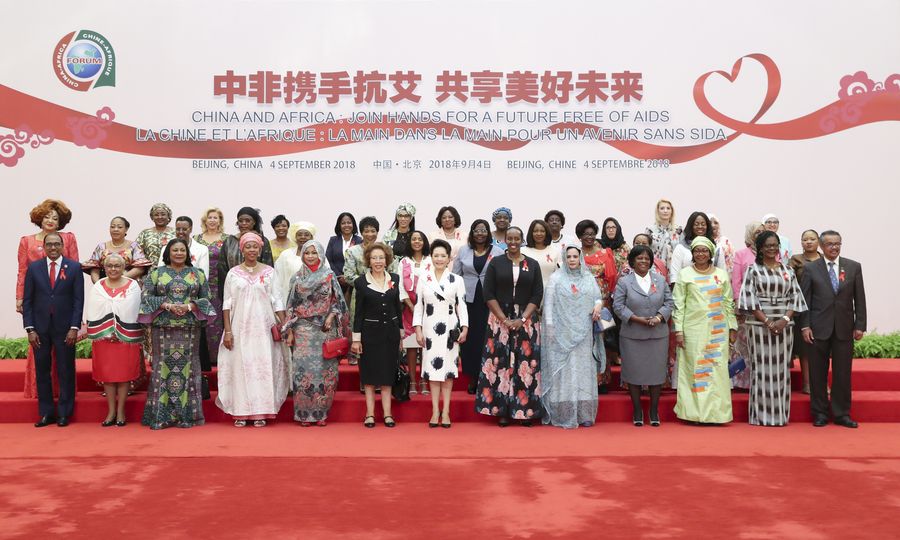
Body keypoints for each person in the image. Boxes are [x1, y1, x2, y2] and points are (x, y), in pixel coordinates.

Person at [139, 238, 215, 430]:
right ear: (168, 253)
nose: (179, 253)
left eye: (182, 250)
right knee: (161, 369)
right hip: (163, 328)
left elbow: (207, 297)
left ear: (187, 253)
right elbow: (146, 296)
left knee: (188, 369)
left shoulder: (197, 273)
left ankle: (187, 416)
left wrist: (190, 306)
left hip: (190, 328)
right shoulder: (156, 273)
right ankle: (160, 416)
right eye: (175, 250)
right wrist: (167, 305)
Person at [216, 232, 289, 427]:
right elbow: (226, 304)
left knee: (263, 367)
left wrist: (285, 326)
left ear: (260, 249)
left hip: (264, 330)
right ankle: (241, 412)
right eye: (248, 246)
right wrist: (228, 331)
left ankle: (261, 411)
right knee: (240, 367)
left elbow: (277, 300)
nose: (251, 250)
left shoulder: (270, 272)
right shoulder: (233, 273)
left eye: (255, 246)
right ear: (242, 249)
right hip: (239, 328)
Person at [475, 227, 543, 427]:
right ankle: (502, 410)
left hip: (526, 320)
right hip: (499, 319)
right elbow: (488, 293)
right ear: (505, 240)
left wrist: (522, 318)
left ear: (522, 241)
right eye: (510, 238)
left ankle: (524, 411)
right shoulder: (496, 263)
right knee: (501, 364)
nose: (513, 242)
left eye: (517, 238)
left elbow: (537, 294)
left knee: (525, 365)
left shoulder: (532, 264)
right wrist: (504, 319)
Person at [738, 231, 808, 426]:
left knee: (781, 370)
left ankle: (779, 416)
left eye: (775, 245)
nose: (772, 248)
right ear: (760, 248)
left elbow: (796, 297)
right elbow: (749, 300)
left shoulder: (788, 270)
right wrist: (768, 322)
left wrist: (784, 319)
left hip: (785, 326)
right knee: (760, 369)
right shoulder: (753, 270)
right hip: (758, 327)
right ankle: (759, 416)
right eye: (767, 245)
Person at [799, 230, 867, 428]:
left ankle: (842, 414)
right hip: (818, 328)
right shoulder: (811, 268)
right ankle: (819, 413)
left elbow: (860, 299)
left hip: (844, 328)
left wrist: (860, 325)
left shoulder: (853, 267)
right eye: (830, 244)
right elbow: (805, 300)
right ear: (821, 246)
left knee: (843, 373)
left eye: (838, 243)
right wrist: (805, 325)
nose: (834, 247)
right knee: (817, 374)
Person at [17, 199, 79, 400]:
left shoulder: (68, 238)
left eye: (55, 218)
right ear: (39, 218)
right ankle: (40, 395)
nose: (51, 220)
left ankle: (63, 396)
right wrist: (20, 297)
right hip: (37, 301)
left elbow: (74, 268)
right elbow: (22, 271)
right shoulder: (26, 241)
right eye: (47, 216)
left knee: (64, 355)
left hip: (62, 303)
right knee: (39, 349)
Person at [672, 236, 738, 424]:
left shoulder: (721, 275)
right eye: (697, 251)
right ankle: (694, 414)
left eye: (704, 250)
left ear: (710, 253)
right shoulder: (684, 274)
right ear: (692, 254)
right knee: (695, 370)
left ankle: (716, 414)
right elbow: (679, 305)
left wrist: (732, 326)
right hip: (692, 331)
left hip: (717, 331)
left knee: (716, 372)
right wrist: (678, 330)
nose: (701, 254)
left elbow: (728, 302)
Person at [284, 240, 349, 426]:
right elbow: (291, 306)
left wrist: (331, 316)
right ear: (302, 255)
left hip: (325, 331)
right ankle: (304, 414)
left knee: (325, 373)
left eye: (314, 253)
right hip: (303, 331)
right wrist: (290, 331)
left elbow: (338, 302)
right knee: (303, 373)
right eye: (307, 253)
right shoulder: (296, 278)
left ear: (321, 255)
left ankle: (321, 413)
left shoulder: (329, 276)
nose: (311, 256)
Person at [22, 232, 83, 427]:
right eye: (49, 244)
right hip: (39, 329)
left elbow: (78, 301)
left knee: (65, 370)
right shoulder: (34, 268)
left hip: (65, 328)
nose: (53, 248)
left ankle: (64, 413)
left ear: (62, 246)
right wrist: (30, 328)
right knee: (42, 371)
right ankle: (46, 413)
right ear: (45, 247)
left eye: (57, 244)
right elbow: (27, 300)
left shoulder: (74, 268)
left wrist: (74, 327)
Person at [542, 246, 603, 428]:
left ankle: (584, 414)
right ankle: (564, 413)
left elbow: (597, 297)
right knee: (565, 371)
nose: (572, 259)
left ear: (580, 258)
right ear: (564, 258)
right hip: (561, 334)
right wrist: (550, 327)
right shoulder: (556, 278)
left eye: (575, 256)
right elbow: (548, 304)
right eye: (568, 256)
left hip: (584, 333)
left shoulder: (588, 277)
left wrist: (598, 305)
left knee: (583, 371)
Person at [614, 245, 674, 427]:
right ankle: (637, 410)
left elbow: (669, 303)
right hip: (632, 335)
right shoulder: (624, 282)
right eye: (639, 258)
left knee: (656, 373)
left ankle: (654, 410)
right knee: (633, 373)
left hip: (657, 335)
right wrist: (636, 319)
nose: (643, 261)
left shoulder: (660, 280)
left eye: (647, 258)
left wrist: (659, 317)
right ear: (632, 261)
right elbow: (618, 306)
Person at [414, 239, 468, 428]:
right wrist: (418, 330)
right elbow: (418, 306)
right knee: (433, 371)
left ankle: (446, 411)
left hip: (450, 330)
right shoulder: (423, 278)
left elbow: (462, 306)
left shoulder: (457, 280)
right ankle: (435, 410)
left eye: (442, 256)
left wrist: (465, 328)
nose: (439, 259)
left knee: (447, 371)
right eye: (435, 255)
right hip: (429, 329)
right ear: (431, 257)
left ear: (449, 258)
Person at [351, 243, 406, 428]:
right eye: (374, 258)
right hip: (369, 335)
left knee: (387, 374)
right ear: (368, 260)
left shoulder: (395, 279)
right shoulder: (361, 282)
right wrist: (356, 339)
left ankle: (388, 414)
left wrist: (400, 333)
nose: (378, 261)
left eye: (381, 257)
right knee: (369, 376)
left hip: (390, 334)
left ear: (387, 259)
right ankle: (370, 414)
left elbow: (397, 308)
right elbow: (358, 313)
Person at [84, 254, 142, 427]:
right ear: (104, 268)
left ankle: (121, 411)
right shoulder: (98, 286)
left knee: (124, 375)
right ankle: (111, 412)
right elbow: (93, 310)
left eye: (117, 266)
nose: (113, 269)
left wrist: (119, 331)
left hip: (126, 337)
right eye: (110, 266)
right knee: (108, 375)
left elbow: (132, 309)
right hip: (104, 337)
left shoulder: (133, 285)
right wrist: (108, 331)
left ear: (123, 268)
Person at [453, 220, 504, 394]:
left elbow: (502, 277)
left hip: (490, 302)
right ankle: (473, 377)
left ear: (488, 233)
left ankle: (488, 377)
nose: (480, 233)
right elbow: (455, 276)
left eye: (483, 230)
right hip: (468, 301)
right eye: (477, 230)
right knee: (470, 341)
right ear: (472, 232)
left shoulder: (498, 252)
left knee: (488, 339)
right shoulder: (463, 251)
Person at [576, 219, 617, 392]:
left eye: (592, 234)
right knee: (584, 341)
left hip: (603, 302)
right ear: (579, 236)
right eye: (585, 234)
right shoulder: (575, 254)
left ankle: (602, 380)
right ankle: (585, 381)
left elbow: (612, 279)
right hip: (580, 302)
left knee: (601, 340)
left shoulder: (605, 253)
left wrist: (606, 301)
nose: (589, 237)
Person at [729, 221, 766, 390]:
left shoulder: (771, 253)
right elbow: (736, 281)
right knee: (744, 346)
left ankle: (761, 379)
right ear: (750, 234)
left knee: (762, 345)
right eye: (757, 232)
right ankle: (742, 382)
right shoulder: (741, 254)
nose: (760, 235)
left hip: (766, 306)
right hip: (746, 307)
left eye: (762, 231)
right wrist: (738, 304)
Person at [788, 229, 822, 393]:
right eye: (805, 239)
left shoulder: (825, 259)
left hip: (822, 308)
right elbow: (788, 283)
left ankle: (820, 383)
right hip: (802, 308)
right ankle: (807, 383)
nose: (808, 242)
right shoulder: (795, 260)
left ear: (818, 241)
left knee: (821, 348)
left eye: (812, 239)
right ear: (801, 242)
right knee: (805, 349)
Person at [217, 207, 274, 303]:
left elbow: (268, 269)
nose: (243, 223)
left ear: (254, 222)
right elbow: (222, 270)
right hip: (235, 291)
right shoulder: (229, 242)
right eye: (240, 221)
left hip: (258, 293)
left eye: (247, 221)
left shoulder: (262, 241)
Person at [398, 231, 431, 395]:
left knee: (425, 346)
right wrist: (411, 306)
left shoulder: (431, 260)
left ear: (424, 242)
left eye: (420, 239)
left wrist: (424, 306)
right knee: (412, 347)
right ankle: (412, 381)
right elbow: (400, 287)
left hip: (429, 309)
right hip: (409, 309)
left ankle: (424, 380)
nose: (417, 242)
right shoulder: (403, 261)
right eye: (414, 239)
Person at [194, 207, 227, 365]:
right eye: (210, 217)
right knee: (203, 320)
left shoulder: (227, 239)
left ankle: (219, 358)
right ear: (204, 221)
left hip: (220, 286)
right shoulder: (196, 239)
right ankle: (203, 359)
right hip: (200, 286)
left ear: (220, 221)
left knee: (219, 320)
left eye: (215, 218)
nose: (212, 220)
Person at [83, 216, 152, 283]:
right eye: (112, 227)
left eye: (120, 227)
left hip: (128, 284)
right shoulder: (101, 247)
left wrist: (119, 281)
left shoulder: (134, 246)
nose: (115, 229)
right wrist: (99, 285)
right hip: (105, 285)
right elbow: (94, 269)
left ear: (126, 229)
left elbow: (140, 268)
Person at [669, 211, 725, 283]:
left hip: (711, 288)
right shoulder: (680, 248)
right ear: (690, 226)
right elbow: (674, 277)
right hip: (686, 287)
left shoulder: (716, 248)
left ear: (707, 226)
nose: (700, 227)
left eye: (703, 224)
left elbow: (722, 274)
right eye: (696, 224)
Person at [275, 222, 318, 304]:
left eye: (306, 235)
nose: (303, 237)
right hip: (289, 302)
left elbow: (326, 281)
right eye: (299, 234)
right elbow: (277, 282)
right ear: (295, 237)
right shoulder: (286, 255)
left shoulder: (319, 256)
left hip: (314, 304)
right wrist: (279, 305)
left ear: (311, 237)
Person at [325, 212, 362, 302]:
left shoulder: (359, 240)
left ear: (353, 224)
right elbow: (328, 260)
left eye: (349, 222)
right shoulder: (333, 240)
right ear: (339, 225)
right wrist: (338, 276)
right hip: (336, 281)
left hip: (353, 283)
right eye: (343, 223)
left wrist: (348, 278)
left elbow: (360, 262)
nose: (346, 225)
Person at [645, 198, 682, 270]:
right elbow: (646, 250)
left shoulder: (679, 230)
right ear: (658, 211)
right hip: (655, 268)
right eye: (662, 208)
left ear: (671, 211)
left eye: (668, 208)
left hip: (674, 268)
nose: (665, 211)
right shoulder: (650, 230)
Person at [521, 219, 560, 286]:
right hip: (528, 290)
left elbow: (559, 274)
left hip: (550, 290)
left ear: (546, 233)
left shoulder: (555, 251)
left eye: (542, 231)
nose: (539, 234)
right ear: (531, 233)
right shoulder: (522, 251)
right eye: (535, 231)